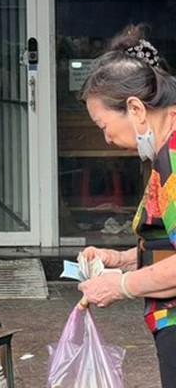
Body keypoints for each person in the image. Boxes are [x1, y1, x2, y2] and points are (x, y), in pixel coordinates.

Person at [76, 24, 176, 386]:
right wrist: (122, 259)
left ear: (135, 108)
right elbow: (168, 242)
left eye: (104, 125)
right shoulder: (165, 151)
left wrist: (122, 285)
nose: (107, 139)